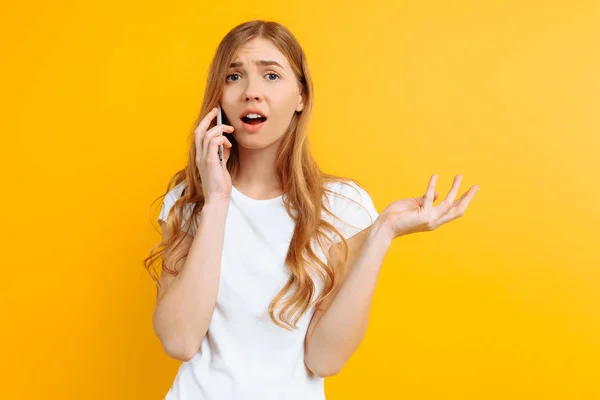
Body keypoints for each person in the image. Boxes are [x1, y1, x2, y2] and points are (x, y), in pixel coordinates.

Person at [144, 20, 479, 400]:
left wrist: (382, 233)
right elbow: (179, 341)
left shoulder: (342, 207)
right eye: (234, 76)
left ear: (301, 96)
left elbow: (324, 360)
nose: (252, 92)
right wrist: (218, 199)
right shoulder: (189, 203)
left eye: (271, 75)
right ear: (218, 96)